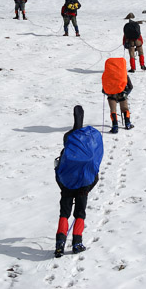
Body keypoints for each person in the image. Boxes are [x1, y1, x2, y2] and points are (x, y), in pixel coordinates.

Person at [54, 105, 103, 257]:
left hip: (67, 186)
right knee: (80, 213)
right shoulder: (88, 149)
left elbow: (58, 170)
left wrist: (62, 185)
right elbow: (95, 174)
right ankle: (77, 243)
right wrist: (88, 187)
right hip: (83, 186)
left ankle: (59, 244)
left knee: (64, 213)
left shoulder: (67, 150)